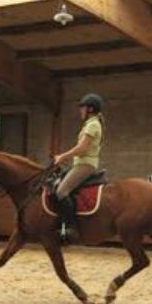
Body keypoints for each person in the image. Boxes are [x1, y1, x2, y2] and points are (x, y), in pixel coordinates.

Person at [52, 93, 105, 242]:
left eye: (82, 107)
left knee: (61, 191)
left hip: (85, 165)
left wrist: (62, 157)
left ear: (90, 109)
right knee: (56, 184)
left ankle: (70, 228)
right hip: (80, 164)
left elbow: (82, 148)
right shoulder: (90, 124)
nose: (80, 111)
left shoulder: (93, 125)